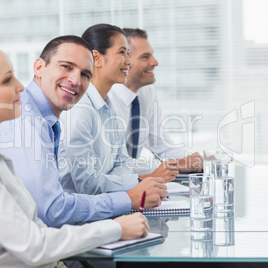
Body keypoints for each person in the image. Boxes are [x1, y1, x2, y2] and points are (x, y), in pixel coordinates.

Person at [0, 39, 150, 268]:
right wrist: (116, 228)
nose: (21, 87)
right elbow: (34, 242)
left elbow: (34, 223)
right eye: (7, 79)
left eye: (85, 74)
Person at [0, 35, 168, 228]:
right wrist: (128, 198)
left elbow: (121, 162)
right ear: (39, 68)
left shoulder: (48, 119)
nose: (75, 80)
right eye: (66, 67)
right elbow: (52, 210)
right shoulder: (26, 120)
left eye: (85, 74)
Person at [59, 24, 178, 196]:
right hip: (80, 214)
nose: (128, 61)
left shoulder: (108, 105)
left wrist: (114, 179)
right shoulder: (79, 109)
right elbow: (87, 184)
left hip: (103, 203)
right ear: (97, 58)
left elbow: (122, 163)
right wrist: (139, 181)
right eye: (122, 53)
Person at [109, 28, 203, 175]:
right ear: (124, 60)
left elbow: (161, 144)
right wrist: (172, 166)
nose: (155, 62)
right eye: (145, 57)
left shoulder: (147, 92)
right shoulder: (106, 98)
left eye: (152, 55)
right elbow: (113, 164)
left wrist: (193, 160)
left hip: (135, 183)